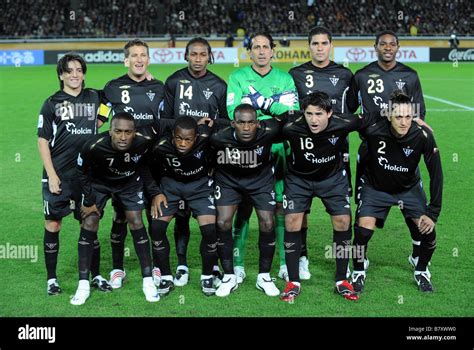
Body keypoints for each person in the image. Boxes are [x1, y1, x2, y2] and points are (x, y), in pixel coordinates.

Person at [348, 30, 427, 274]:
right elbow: (352, 110)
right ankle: (361, 261)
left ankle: (417, 255)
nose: (388, 47)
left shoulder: (410, 76)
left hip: (403, 153)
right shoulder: (361, 75)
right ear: (376, 47)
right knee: (364, 217)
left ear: (398, 47)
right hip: (372, 152)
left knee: (413, 209)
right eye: (383, 44)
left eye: (392, 44)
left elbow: (419, 115)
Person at [71, 112, 169, 305]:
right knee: (89, 222)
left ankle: (148, 282)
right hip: (99, 184)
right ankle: (83, 285)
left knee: (136, 220)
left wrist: (155, 191)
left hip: (129, 183)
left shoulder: (144, 142)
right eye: (118, 132)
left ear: (135, 133)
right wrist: (89, 200)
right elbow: (80, 173)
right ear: (110, 131)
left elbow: (145, 166)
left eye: (128, 132)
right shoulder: (93, 146)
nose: (123, 137)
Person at [351, 91, 442, 293]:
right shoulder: (373, 129)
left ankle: (421, 271)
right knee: (362, 232)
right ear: (389, 115)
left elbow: (436, 174)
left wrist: (432, 212)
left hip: (408, 189)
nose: (403, 122)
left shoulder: (422, 135)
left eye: (408, 117)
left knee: (428, 231)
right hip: (375, 188)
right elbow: (347, 125)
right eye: (398, 117)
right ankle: (358, 270)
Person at [226, 32, 299, 284]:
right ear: (249, 52)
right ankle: (237, 264)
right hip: (247, 151)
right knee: (243, 207)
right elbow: (235, 114)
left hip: (279, 151)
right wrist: (274, 107)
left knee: (279, 208)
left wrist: (256, 102)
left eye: (265, 47)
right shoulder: (236, 76)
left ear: (272, 50)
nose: (260, 51)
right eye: (255, 47)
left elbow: (291, 113)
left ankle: (283, 264)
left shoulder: (285, 78)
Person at [37, 53, 110, 296]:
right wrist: (52, 174)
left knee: (91, 223)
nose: (75, 74)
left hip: (88, 174)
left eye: (79, 70)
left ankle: (97, 275)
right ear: (61, 75)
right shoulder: (51, 103)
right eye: (69, 71)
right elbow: (43, 140)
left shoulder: (93, 96)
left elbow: (111, 99)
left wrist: (98, 120)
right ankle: (51, 279)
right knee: (54, 224)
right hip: (59, 174)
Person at [289, 26, 356, 280]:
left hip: (337, 153)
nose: (319, 48)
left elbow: (351, 113)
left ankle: (347, 264)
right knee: (299, 213)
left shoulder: (345, 75)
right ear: (309, 46)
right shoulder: (295, 74)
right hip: (303, 154)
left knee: (342, 214)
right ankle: (302, 257)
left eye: (324, 43)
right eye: (314, 43)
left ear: (331, 45)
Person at [160, 37, 227, 287]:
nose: (198, 59)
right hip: (177, 159)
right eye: (194, 54)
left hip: (206, 161)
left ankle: (212, 267)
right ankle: (181, 265)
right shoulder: (174, 81)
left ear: (210, 57)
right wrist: (187, 126)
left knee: (210, 218)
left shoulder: (219, 85)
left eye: (203, 55)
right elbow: (164, 120)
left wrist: (211, 126)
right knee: (181, 216)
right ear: (185, 56)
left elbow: (226, 122)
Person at [102, 38, 165, 289]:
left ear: (148, 60)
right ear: (125, 60)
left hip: (152, 161)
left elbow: (165, 122)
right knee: (120, 216)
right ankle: (117, 269)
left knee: (154, 216)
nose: (139, 59)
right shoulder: (112, 87)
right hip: (123, 163)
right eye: (134, 56)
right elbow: (100, 118)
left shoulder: (159, 87)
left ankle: (156, 268)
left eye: (143, 55)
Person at [210, 104, 284, 297]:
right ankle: (229, 276)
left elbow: (292, 120)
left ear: (257, 124)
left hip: (260, 181)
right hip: (229, 182)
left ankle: (264, 277)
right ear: (233, 123)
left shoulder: (269, 131)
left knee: (268, 223)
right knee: (222, 221)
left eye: (251, 123)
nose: (246, 128)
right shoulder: (218, 137)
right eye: (241, 123)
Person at [147, 116, 221, 296]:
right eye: (178, 138)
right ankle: (166, 276)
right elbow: (147, 169)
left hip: (200, 188)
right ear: (173, 135)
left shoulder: (206, 138)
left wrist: (212, 171)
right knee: (156, 228)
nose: (182, 143)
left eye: (188, 139)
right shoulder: (161, 146)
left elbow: (220, 147)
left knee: (210, 230)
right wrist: (156, 192)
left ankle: (206, 275)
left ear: (196, 137)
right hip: (171, 188)